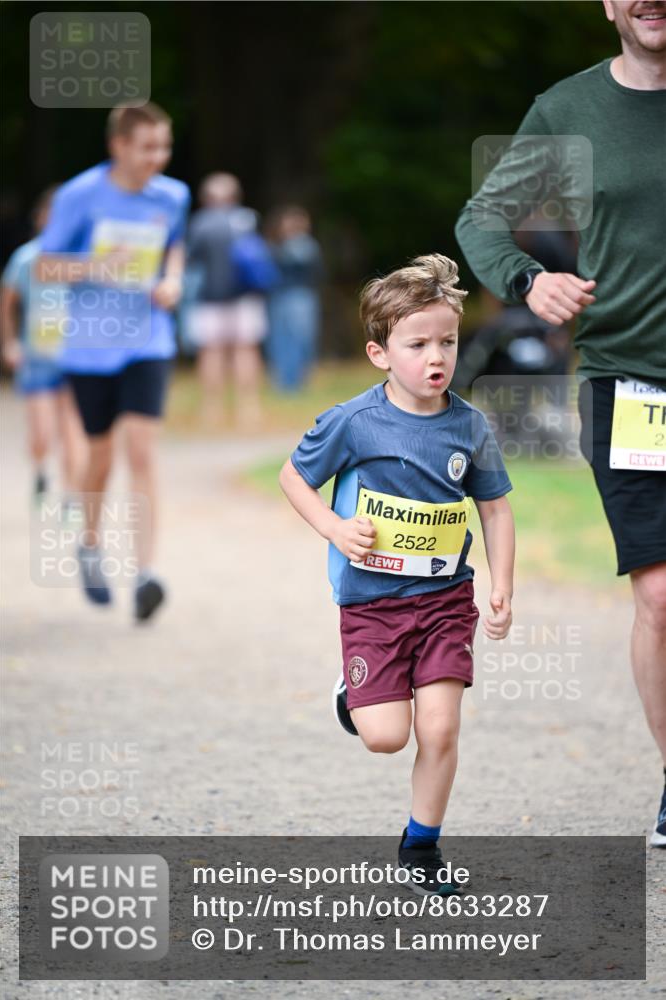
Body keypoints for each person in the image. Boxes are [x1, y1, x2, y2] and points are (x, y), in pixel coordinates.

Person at [455, 0, 666, 846]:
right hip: (631, 385)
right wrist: (525, 279)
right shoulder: (568, 110)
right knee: (659, 595)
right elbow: (481, 218)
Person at [280, 254, 514, 893]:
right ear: (381, 353)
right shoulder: (354, 422)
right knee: (386, 737)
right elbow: (293, 478)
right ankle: (353, 693)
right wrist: (333, 527)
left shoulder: (469, 425)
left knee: (440, 727)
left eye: (447, 341)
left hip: (444, 598)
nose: (436, 357)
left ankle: (421, 846)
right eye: (418, 345)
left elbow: (494, 508)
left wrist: (501, 586)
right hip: (373, 605)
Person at [38, 103, 190, 621]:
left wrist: (172, 281)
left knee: (142, 450)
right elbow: (44, 265)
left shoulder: (173, 195)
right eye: (148, 147)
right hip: (89, 346)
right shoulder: (79, 195)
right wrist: (93, 265)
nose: (158, 158)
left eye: (163, 146)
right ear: (118, 147)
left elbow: (175, 247)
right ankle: (89, 544)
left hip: (148, 339)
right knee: (99, 455)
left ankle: (145, 574)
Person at [1, 187, 86, 502]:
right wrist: (10, 344)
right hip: (37, 355)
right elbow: (6, 304)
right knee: (42, 434)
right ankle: (40, 469)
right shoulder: (26, 258)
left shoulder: (81, 260)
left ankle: (71, 494)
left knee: (72, 430)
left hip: (75, 353)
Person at [185, 173, 274, 429]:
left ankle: (211, 410)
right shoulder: (248, 219)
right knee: (246, 350)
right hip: (247, 297)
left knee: (211, 352)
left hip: (209, 298)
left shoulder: (200, 223)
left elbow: (191, 259)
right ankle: (249, 409)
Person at [265, 205, 324, 392]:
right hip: (281, 296)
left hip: (300, 296)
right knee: (281, 339)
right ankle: (285, 382)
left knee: (300, 338)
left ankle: (298, 381)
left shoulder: (305, 245)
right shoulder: (280, 246)